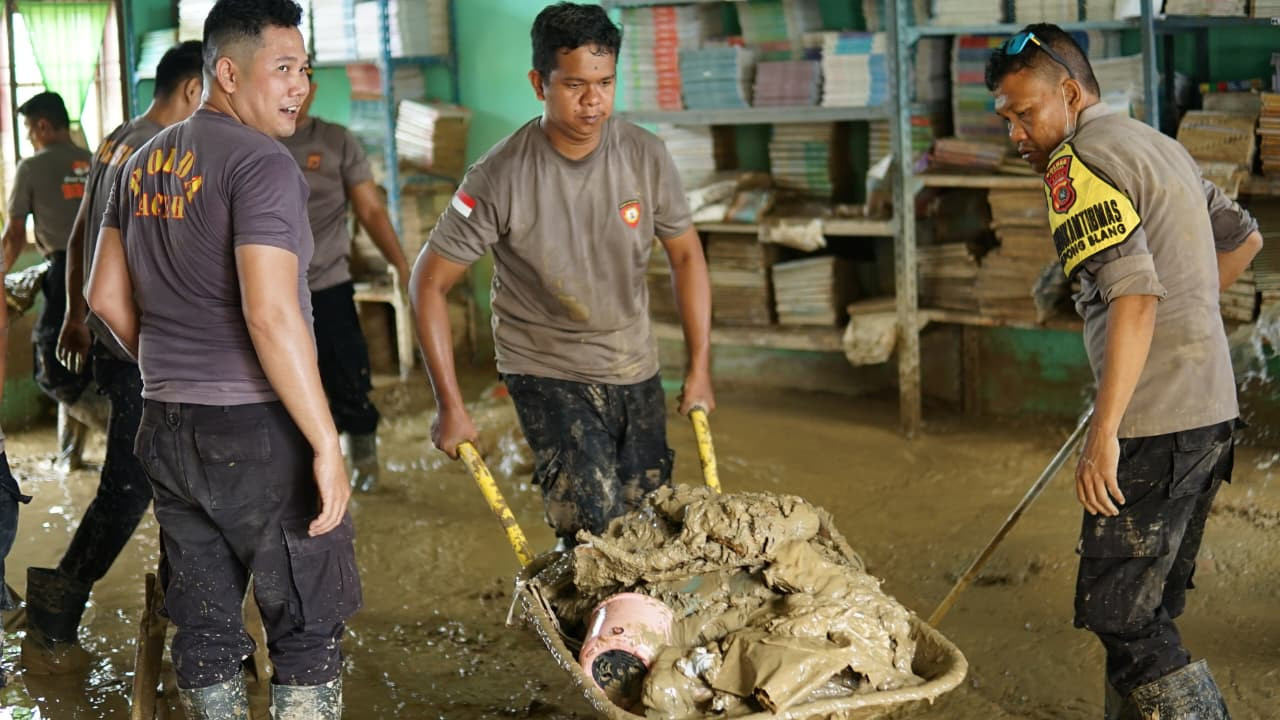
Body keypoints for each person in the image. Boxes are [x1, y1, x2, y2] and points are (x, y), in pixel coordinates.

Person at [86, 1, 359, 716]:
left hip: (167, 426)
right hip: (257, 431)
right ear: (228, 73)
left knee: (206, 625)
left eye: (304, 69)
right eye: (282, 69)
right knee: (305, 623)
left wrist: (175, 363)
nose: (299, 86)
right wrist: (327, 442)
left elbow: (103, 296)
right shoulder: (262, 163)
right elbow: (270, 314)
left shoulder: (142, 161)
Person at [986, 23, 1263, 719]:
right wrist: (1183, 332)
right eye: (1007, 118)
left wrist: (1106, 426)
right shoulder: (1159, 145)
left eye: (1025, 113)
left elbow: (1136, 295)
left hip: (1156, 423)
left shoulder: (1074, 165)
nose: (1016, 132)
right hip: (1209, 413)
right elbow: (1244, 240)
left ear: (1070, 93)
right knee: (1152, 600)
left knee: (1121, 615)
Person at [411, 2, 714, 547]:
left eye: (605, 82)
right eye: (574, 84)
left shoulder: (646, 155)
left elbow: (687, 256)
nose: (593, 100)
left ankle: (621, 621)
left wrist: (700, 368)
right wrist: (450, 406)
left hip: (634, 362)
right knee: (592, 522)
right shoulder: (499, 175)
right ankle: (589, 623)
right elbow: (428, 283)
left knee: (648, 524)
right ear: (538, 83)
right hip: (545, 365)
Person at [18, 40, 205, 674]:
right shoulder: (162, 152)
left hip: (117, 338)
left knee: (153, 480)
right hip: (139, 347)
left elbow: (79, 238)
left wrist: (76, 313)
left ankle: (181, 608)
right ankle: (59, 601)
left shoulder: (115, 139)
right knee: (130, 487)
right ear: (190, 91)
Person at [279, 69, 411, 492]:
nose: (295, 89)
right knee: (279, 388)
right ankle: (296, 475)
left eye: (304, 78)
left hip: (328, 287)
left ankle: (365, 468)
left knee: (349, 381)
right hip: (271, 295)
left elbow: (371, 212)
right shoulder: (252, 139)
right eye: (283, 76)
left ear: (313, 89)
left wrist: (402, 267)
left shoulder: (337, 141)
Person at [1, 92, 99, 470]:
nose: (28, 136)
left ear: (43, 125)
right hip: (107, 271)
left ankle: (124, 436)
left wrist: (2, 277)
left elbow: (12, 236)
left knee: (52, 365)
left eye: (28, 128)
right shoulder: (95, 162)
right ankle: (69, 458)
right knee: (83, 362)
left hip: (64, 271)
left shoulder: (32, 166)